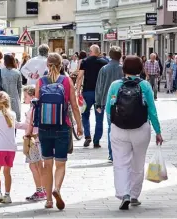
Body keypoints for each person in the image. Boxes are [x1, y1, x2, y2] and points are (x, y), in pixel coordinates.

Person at [106, 55, 163, 210]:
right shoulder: (145, 85)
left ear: (123, 69)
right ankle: (134, 195)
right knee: (138, 163)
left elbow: (108, 109)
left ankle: (123, 193)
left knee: (120, 163)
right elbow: (152, 110)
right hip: (141, 129)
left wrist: (112, 126)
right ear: (140, 69)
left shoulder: (115, 85)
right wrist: (158, 131)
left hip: (119, 129)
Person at [29, 53, 82, 210]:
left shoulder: (40, 81)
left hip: (45, 127)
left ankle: (48, 200)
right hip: (62, 126)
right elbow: (74, 105)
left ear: (47, 65)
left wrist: (31, 128)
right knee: (60, 163)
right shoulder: (66, 81)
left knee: (47, 163)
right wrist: (79, 125)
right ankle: (57, 189)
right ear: (61, 65)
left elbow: (35, 105)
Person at [16, 85, 45, 201]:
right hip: (39, 139)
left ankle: (40, 190)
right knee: (39, 166)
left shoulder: (32, 109)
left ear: (32, 96)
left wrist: (26, 134)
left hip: (33, 141)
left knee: (34, 166)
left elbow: (29, 125)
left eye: (26, 96)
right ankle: (44, 189)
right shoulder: (38, 108)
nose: (24, 98)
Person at [95, 46, 124, 163]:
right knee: (122, 128)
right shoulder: (123, 69)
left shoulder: (104, 69)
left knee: (111, 128)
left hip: (107, 103)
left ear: (110, 56)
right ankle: (120, 153)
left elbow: (99, 87)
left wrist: (98, 103)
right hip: (123, 102)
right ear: (120, 56)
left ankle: (112, 154)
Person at [76, 44, 108, 148]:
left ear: (91, 51)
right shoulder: (105, 62)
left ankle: (87, 136)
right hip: (100, 94)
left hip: (87, 93)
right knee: (99, 117)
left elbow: (80, 77)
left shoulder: (85, 61)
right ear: (98, 52)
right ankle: (96, 140)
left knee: (85, 115)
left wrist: (77, 91)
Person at [0, 54, 22, 122]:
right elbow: (19, 88)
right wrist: (19, 99)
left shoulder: (0, 72)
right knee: (14, 121)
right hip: (14, 99)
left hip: (2, 99)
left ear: (5, 61)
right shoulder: (17, 73)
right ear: (13, 61)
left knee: (3, 120)